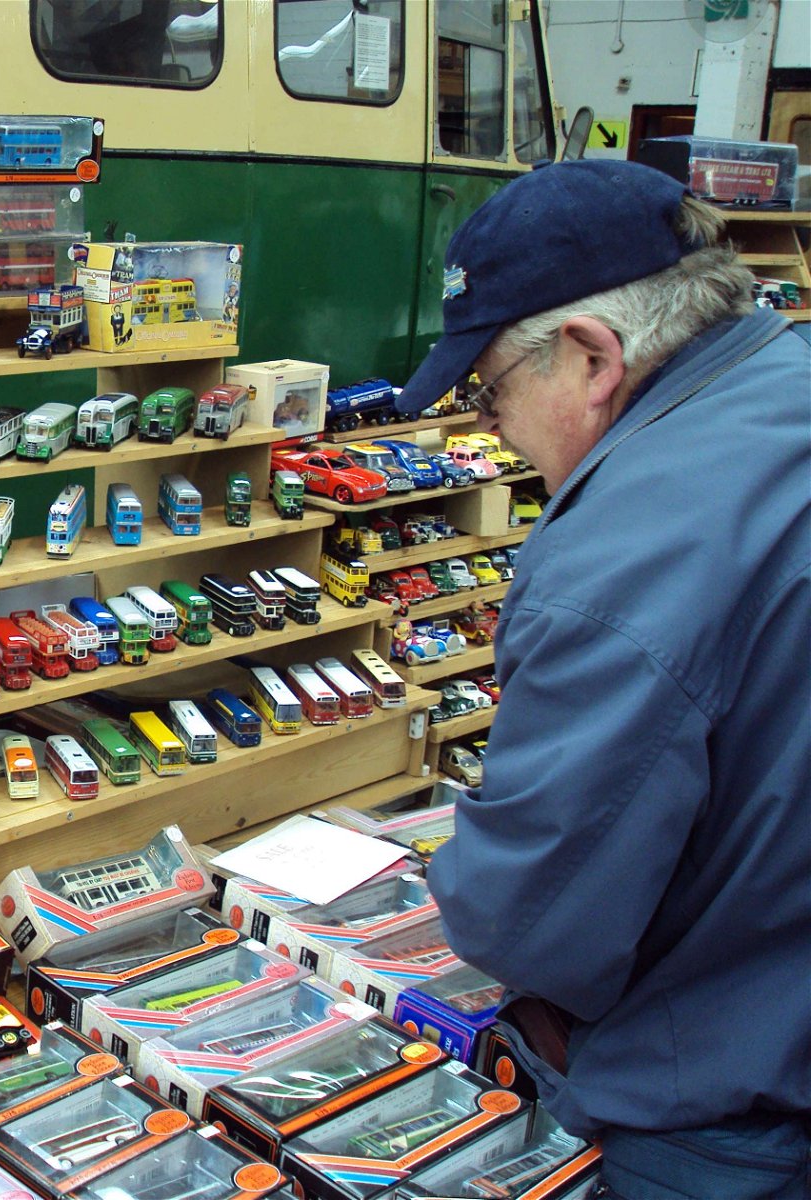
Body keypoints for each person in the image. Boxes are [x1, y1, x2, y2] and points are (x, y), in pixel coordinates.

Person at [393, 159, 810, 1197]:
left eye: (489, 393)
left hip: (723, 1107)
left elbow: (531, 919)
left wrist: (449, 876)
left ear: (588, 357)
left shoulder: (622, 558)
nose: (494, 431)